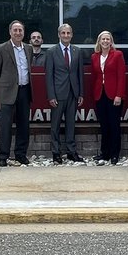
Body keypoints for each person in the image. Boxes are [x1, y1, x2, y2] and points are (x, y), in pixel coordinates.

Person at [0, 20, 33, 167]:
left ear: (23, 32)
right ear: (10, 32)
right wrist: (3, 88)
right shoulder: (2, 48)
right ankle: (3, 156)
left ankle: (21, 154)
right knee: (5, 126)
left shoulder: (28, 48)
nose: (18, 33)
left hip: (24, 90)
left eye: (20, 30)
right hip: (7, 92)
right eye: (15, 30)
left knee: (23, 125)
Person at [43, 23, 85, 163]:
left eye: (68, 33)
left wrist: (81, 94)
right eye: (63, 33)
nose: (66, 36)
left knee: (71, 124)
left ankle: (71, 152)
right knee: (55, 125)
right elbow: (48, 75)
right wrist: (51, 95)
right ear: (59, 35)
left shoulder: (77, 51)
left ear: (72, 35)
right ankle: (56, 153)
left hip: (73, 93)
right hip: (58, 94)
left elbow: (80, 74)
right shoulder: (51, 52)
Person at [90, 30, 126, 164]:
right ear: (99, 41)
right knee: (104, 125)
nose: (105, 41)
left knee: (114, 125)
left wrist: (119, 95)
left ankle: (115, 154)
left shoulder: (117, 55)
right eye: (103, 39)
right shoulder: (94, 56)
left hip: (114, 95)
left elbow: (121, 76)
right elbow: (94, 77)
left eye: (108, 39)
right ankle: (104, 153)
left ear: (111, 42)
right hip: (100, 95)